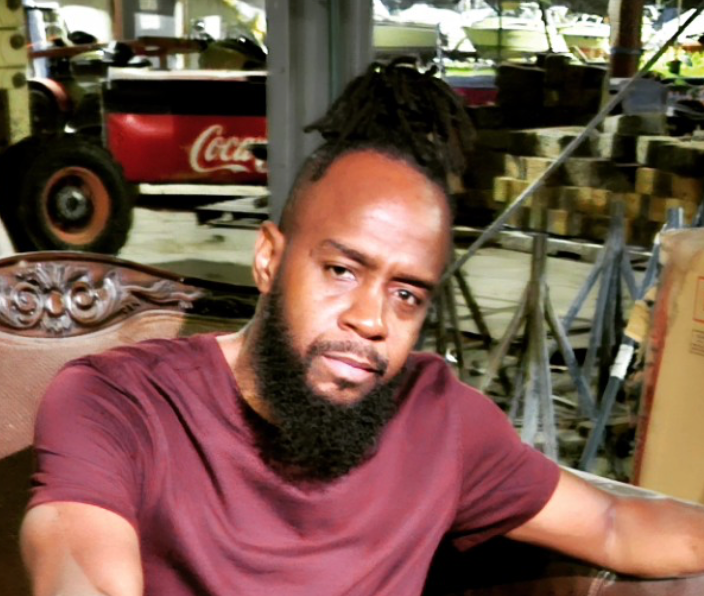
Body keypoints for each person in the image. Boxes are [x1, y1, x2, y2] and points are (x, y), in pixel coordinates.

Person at [20, 141, 704, 596]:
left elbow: (614, 523)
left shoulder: (441, 418)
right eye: (342, 271)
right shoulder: (121, 403)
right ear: (269, 259)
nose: (371, 320)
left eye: (406, 293)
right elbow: (77, 561)